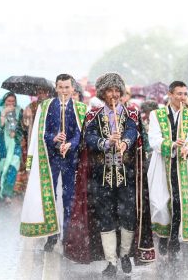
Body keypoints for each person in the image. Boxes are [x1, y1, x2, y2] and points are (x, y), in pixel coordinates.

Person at [63, 72, 155, 276]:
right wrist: (105, 143)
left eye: (117, 91)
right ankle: (111, 261)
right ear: (103, 93)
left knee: (127, 216)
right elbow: (89, 138)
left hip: (127, 176)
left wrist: (124, 142)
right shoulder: (93, 115)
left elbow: (133, 132)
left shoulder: (132, 114)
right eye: (109, 91)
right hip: (101, 177)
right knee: (106, 218)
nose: (113, 95)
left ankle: (124, 255)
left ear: (121, 93)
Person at [20, 74, 87, 253]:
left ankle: (67, 236)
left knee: (69, 198)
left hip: (71, 160)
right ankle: (51, 235)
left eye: (67, 87)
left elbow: (81, 133)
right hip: (51, 158)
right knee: (50, 197)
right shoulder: (46, 106)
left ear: (73, 89)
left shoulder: (81, 108)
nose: (64, 91)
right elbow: (41, 132)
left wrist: (70, 143)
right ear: (56, 88)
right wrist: (53, 138)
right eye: (61, 87)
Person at [148, 81, 188, 261]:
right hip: (162, 164)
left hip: (181, 166)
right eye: (178, 93)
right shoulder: (157, 114)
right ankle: (163, 235)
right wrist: (171, 144)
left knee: (179, 202)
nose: (182, 97)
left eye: (184, 94)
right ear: (170, 94)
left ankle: (173, 239)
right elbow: (153, 139)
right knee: (161, 203)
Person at [15, 86, 50, 194]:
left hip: (46, 138)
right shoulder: (30, 106)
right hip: (32, 139)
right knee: (29, 161)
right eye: (39, 92)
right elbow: (24, 125)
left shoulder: (51, 105)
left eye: (43, 92)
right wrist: (26, 116)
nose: (41, 95)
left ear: (47, 93)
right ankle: (28, 185)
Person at [0, 92, 23, 201]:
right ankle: (1, 190)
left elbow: (22, 128)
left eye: (13, 101)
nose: (11, 103)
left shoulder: (19, 110)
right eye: (8, 101)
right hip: (2, 143)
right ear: (4, 101)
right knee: (2, 167)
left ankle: (7, 193)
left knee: (13, 166)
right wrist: (3, 114)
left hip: (14, 143)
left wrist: (16, 133)